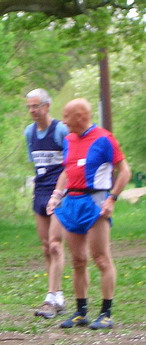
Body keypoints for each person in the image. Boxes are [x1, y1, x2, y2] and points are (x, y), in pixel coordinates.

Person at [47, 98, 131, 330]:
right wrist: (56, 194)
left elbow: (124, 171)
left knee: (101, 258)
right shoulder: (68, 140)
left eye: (66, 116)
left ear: (81, 116)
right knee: (78, 260)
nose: (63, 122)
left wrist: (112, 198)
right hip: (72, 202)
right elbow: (67, 170)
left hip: (96, 202)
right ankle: (80, 311)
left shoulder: (105, 138)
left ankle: (106, 313)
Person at [24, 89, 68, 319]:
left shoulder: (60, 130)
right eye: (29, 107)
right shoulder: (29, 133)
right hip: (40, 191)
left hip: (59, 192)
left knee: (55, 245)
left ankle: (53, 296)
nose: (32, 111)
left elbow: (69, 165)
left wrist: (60, 193)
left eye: (36, 106)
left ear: (47, 106)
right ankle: (55, 294)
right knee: (45, 246)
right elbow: (36, 163)